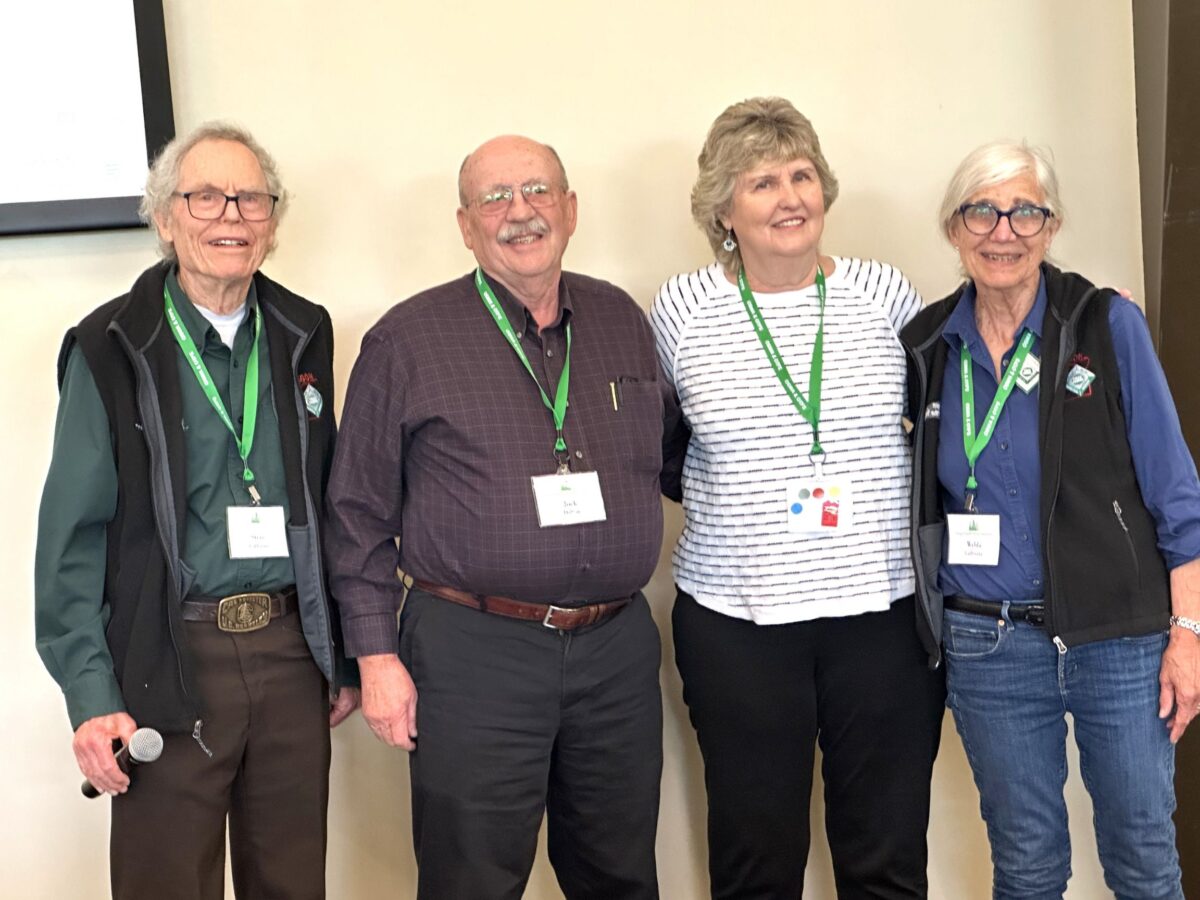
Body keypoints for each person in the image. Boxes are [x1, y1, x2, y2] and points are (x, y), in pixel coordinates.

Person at [325, 134, 682, 899]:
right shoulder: (408, 338)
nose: (520, 213)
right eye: (495, 198)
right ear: (464, 224)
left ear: (571, 209)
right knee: (471, 880)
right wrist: (375, 658)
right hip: (471, 650)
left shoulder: (621, 319)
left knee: (621, 874)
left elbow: (676, 455)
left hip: (615, 649)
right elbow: (355, 512)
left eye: (538, 191)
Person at [34, 122, 359, 900]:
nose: (230, 216)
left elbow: (334, 501)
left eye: (251, 198)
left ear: (272, 222)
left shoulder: (303, 331)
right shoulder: (111, 344)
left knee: (291, 881)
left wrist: (339, 650)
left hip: (288, 656)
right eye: (205, 196)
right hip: (168, 656)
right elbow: (71, 537)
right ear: (165, 216)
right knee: (165, 885)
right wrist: (91, 693)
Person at [650, 96, 945, 899]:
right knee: (755, 858)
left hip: (881, 616)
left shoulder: (883, 293)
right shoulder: (681, 310)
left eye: (802, 175)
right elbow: (658, 446)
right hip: (737, 623)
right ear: (722, 210)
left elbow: (944, 417)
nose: (789, 198)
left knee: (884, 853)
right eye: (761, 183)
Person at [903, 140, 1200, 900]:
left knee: (1141, 855)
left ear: (1051, 224)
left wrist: (1190, 635)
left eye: (1024, 210)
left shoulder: (1104, 325)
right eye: (982, 211)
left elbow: (1178, 498)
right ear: (953, 228)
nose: (1004, 231)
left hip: (1118, 641)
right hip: (989, 646)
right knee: (1029, 866)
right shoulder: (928, 347)